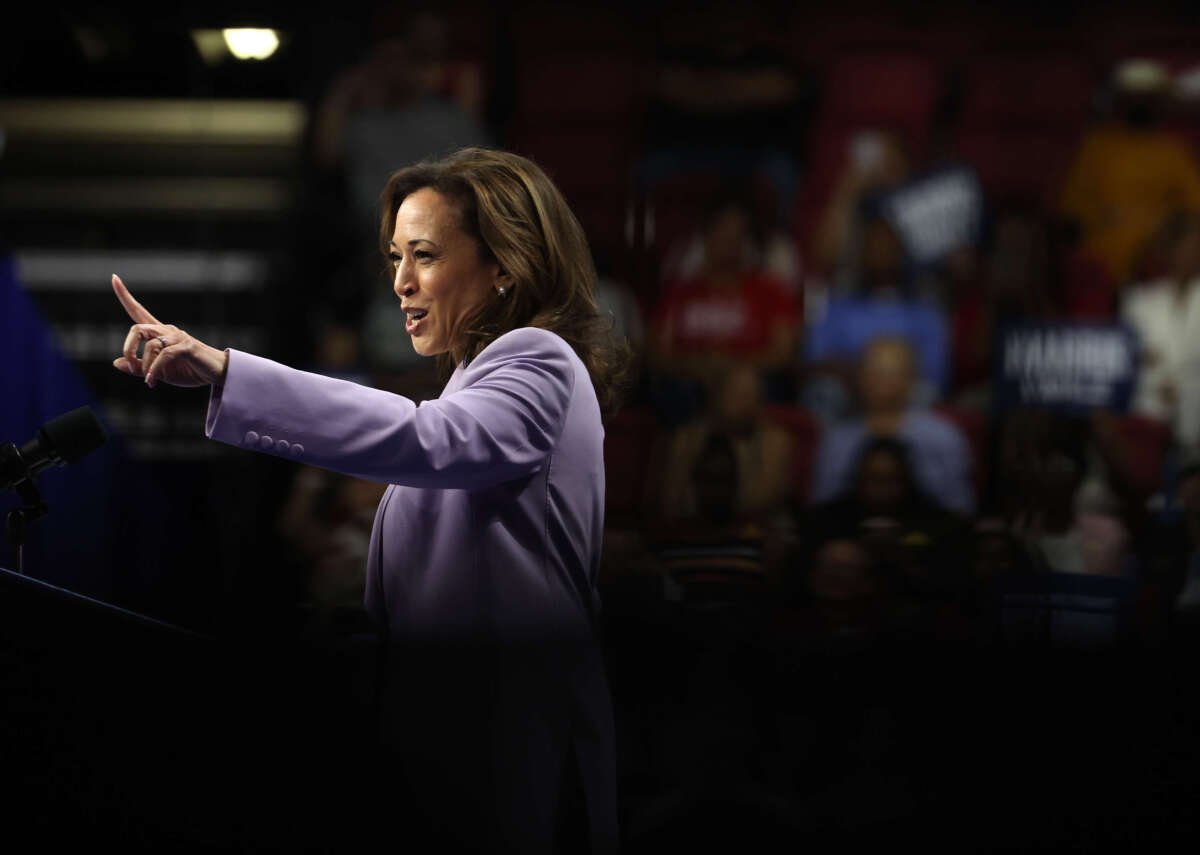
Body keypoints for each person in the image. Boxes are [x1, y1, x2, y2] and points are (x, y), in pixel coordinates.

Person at [109, 148, 628, 854]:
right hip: (455, 750)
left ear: (505, 263)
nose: (402, 283)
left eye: (425, 255)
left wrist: (227, 370)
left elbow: (430, 440)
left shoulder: (539, 357)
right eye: (394, 258)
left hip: (512, 749)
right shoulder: (476, 380)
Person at [809, 337, 974, 514]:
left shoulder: (943, 436)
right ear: (860, 378)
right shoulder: (837, 440)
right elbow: (821, 509)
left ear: (912, 379)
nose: (882, 383)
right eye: (874, 373)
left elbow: (960, 508)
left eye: (891, 374)